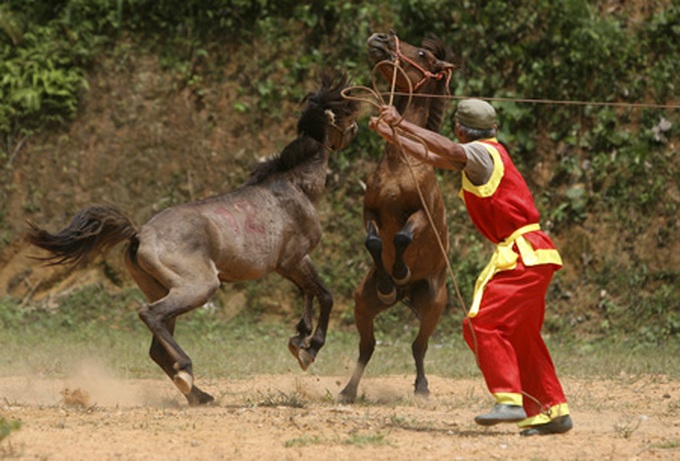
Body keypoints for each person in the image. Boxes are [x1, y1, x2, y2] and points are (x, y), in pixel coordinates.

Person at [368, 99, 573, 436]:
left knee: (482, 324)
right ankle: (552, 409)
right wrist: (393, 135)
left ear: (461, 129)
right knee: (521, 335)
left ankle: (509, 398)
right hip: (536, 253)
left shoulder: (479, 153)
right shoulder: (486, 153)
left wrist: (401, 123)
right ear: (492, 127)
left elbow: (447, 148)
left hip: (521, 254)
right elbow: (434, 156)